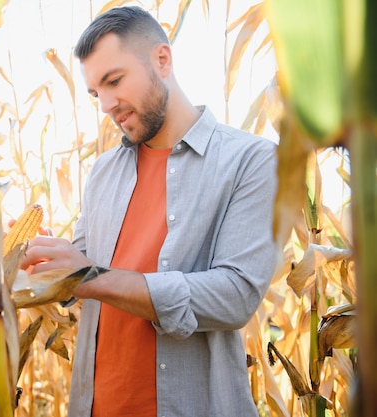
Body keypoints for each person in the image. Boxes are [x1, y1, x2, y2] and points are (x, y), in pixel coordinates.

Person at [20, 5, 279, 417]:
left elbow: (235, 297)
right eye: (95, 93)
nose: (106, 104)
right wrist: (28, 260)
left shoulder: (251, 160)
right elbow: (78, 276)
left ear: (162, 59)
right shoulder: (104, 171)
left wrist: (88, 277)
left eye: (114, 80)